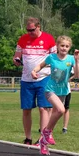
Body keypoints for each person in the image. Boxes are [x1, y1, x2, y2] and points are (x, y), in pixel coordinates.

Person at [31, 36, 79, 155]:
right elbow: (40, 65)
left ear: (70, 48)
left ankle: (44, 140)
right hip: (50, 89)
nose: (64, 48)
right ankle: (47, 132)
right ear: (57, 46)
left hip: (63, 91)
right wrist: (34, 71)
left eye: (67, 46)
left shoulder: (71, 59)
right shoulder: (52, 57)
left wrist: (77, 60)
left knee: (56, 113)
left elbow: (78, 75)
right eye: (62, 46)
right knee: (61, 110)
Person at [13, 17, 57, 146]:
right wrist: (16, 60)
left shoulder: (49, 39)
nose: (30, 32)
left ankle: (42, 138)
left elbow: (54, 58)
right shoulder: (23, 39)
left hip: (44, 77)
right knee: (26, 109)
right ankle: (28, 138)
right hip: (26, 79)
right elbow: (16, 55)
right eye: (28, 30)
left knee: (43, 108)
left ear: (38, 27)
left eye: (32, 30)